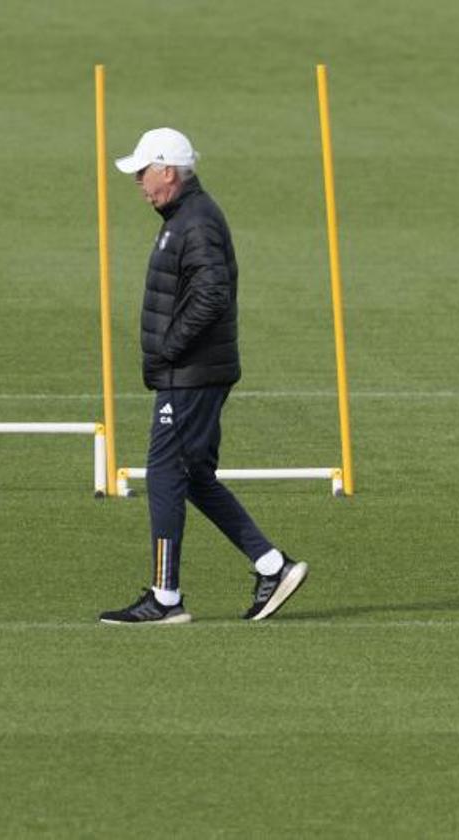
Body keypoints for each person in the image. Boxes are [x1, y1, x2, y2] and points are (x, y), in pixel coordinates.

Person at [100, 127, 308, 625]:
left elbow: (212, 295)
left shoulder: (194, 221)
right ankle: (271, 565)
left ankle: (165, 597)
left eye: (143, 173)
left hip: (191, 373)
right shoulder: (185, 217)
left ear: (167, 171)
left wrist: (168, 351)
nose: (138, 184)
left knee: (167, 473)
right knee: (192, 475)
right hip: (192, 371)